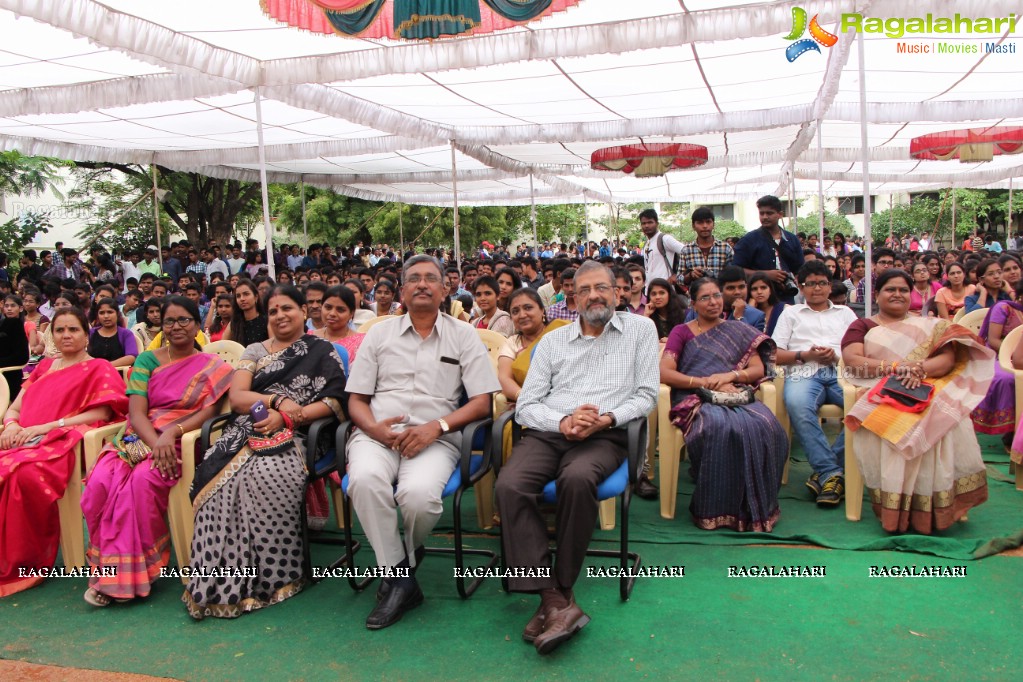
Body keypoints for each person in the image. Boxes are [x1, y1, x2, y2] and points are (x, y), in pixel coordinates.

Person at [496, 261, 657, 654]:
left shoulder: (641, 330)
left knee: (578, 478)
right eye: (584, 290)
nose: (594, 296)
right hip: (552, 431)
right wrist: (564, 420)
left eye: (602, 288)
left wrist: (603, 419)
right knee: (510, 485)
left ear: (618, 292)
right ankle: (556, 599)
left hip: (606, 434)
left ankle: (558, 591)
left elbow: (647, 394)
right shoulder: (552, 342)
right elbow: (527, 405)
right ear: (573, 298)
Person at [344, 255, 498, 630]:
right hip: (378, 434)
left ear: (446, 288)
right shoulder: (378, 334)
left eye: (432, 278)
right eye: (414, 279)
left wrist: (437, 426)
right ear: (402, 290)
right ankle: (401, 576)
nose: (423, 284)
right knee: (364, 480)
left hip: (436, 436)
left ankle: (399, 564)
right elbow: (356, 399)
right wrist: (375, 430)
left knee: (419, 498)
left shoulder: (464, 335)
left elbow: (482, 401)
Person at [184, 285, 346, 619]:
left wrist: (286, 416)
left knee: (265, 477)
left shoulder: (322, 349)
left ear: (304, 311)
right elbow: (239, 395)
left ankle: (276, 576)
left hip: (300, 434)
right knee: (220, 487)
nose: (280, 316)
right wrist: (274, 401)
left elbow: (333, 401)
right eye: (273, 311)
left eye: (287, 308)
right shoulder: (255, 350)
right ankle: (217, 582)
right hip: (248, 430)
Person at [81, 298, 233, 606]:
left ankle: (135, 575)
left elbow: (210, 411)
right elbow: (136, 412)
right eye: (169, 322)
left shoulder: (213, 367)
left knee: (141, 484)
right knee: (99, 482)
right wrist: (155, 441)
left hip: (181, 439)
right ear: (160, 327)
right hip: (139, 438)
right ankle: (111, 571)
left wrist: (170, 434)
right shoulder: (147, 360)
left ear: (196, 325)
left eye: (184, 320)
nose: (176, 327)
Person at [840, 270, 993, 534]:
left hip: (928, 384)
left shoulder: (931, 325)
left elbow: (946, 361)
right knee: (895, 419)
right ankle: (899, 508)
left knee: (949, 417)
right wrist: (897, 368)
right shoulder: (863, 325)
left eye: (902, 290)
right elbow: (854, 360)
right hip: (881, 385)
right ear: (877, 295)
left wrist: (917, 369)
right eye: (890, 289)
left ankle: (939, 506)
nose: (897, 294)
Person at [0, 307, 128, 596]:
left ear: (86, 335)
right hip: (26, 439)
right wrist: (9, 425)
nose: (66, 335)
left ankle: (23, 562)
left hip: (68, 441)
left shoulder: (99, 367)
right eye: (60, 330)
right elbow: (15, 408)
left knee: (23, 474)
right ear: (52, 335)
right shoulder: (43, 368)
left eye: (73, 329)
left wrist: (48, 426)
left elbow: (103, 411)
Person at [662, 277, 787, 532]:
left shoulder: (737, 330)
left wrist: (730, 376)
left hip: (735, 392)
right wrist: (704, 382)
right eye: (705, 298)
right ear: (693, 304)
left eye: (717, 295)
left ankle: (757, 507)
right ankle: (715, 509)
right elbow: (664, 372)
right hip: (695, 395)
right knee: (718, 426)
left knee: (768, 426)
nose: (713, 302)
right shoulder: (682, 332)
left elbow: (757, 368)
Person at [772, 261, 858, 505]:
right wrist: (805, 355)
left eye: (822, 283)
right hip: (803, 372)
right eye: (810, 284)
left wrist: (836, 356)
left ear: (830, 287)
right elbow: (774, 354)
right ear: (801, 287)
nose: (816, 288)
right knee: (797, 403)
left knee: (867, 405)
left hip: (840, 372)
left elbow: (857, 350)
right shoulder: (790, 313)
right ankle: (833, 473)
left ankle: (828, 470)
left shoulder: (846, 314)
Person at [497, 288, 568, 407]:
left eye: (528, 308)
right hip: (528, 406)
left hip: (566, 400)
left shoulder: (560, 332)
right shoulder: (512, 343)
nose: (522, 315)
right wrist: (524, 397)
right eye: (515, 311)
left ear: (542, 310)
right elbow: (504, 379)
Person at [732, 196, 804, 304]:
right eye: (762, 213)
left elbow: (800, 269)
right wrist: (765, 274)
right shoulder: (749, 240)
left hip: (786, 298)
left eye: (769, 213)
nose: (765, 217)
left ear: (780, 214)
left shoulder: (792, 239)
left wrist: (792, 280)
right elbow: (736, 270)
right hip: (758, 301)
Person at [684, 266, 765, 331]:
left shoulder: (756, 316)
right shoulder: (700, 310)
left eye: (741, 287)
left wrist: (740, 318)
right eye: (731, 288)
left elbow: (751, 346)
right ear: (720, 290)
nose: (737, 292)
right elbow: (685, 337)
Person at [310, 285, 365, 366]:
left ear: (351, 313)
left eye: (340, 310)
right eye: (328, 307)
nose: (332, 314)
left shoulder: (362, 342)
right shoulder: (309, 337)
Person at [680, 206, 733, 284]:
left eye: (708, 222)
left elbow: (733, 275)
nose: (705, 226)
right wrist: (691, 275)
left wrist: (715, 275)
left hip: (720, 295)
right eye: (700, 222)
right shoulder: (686, 250)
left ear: (713, 224)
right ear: (693, 226)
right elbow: (679, 279)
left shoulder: (726, 248)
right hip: (696, 295)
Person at [87, 298, 139, 368]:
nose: (106, 316)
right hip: (93, 372)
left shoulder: (126, 334)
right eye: (102, 313)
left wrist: (105, 366)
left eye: (110, 312)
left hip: (117, 374)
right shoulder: (91, 333)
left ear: (117, 314)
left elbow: (131, 357)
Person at [639, 208, 683, 286]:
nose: (646, 226)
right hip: (649, 290)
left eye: (650, 222)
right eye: (644, 223)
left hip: (665, 289)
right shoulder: (646, 243)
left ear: (657, 223)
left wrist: (678, 275)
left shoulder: (665, 239)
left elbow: (687, 251)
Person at [0, 295, 30, 399]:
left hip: (9, 372)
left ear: (20, 308)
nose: (9, 308)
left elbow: (22, 356)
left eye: (12, 306)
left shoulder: (16, 324)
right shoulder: (3, 323)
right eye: (6, 306)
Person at [223, 279, 269, 347]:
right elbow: (222, 346)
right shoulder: (234, 322)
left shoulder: (267, 321)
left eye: (246, 294)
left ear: (256, 297)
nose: (242, 299)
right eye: (238, 296)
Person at [748, 272, 786, 336]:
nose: (759, 292)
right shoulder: (743, 311)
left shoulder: (784, 309)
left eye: (763, 288)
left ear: (770, 290)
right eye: (754, 289)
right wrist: (750, 310)